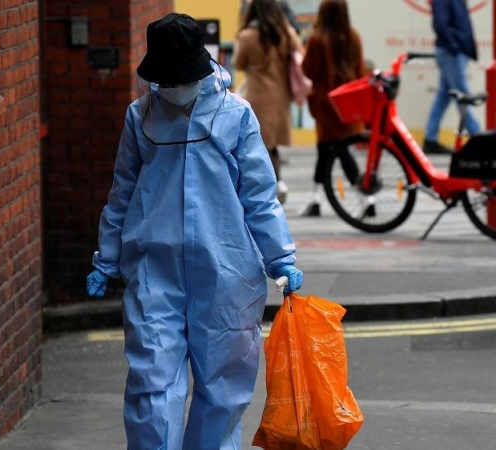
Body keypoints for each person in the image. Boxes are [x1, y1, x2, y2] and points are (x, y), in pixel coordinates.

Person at [85, 13, 304, 450]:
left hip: (226, 270)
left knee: (222, 387)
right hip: (153, 266)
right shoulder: (141, 115)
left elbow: (258, 195)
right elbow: (122, 191)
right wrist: (106, 256)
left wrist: (280, 257)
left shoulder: (235, 115)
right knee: (152, 381)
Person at [300, 0, 367, 216]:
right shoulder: (354, 37)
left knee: (336, 149)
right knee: (329, 150)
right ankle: (316, 197)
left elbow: (309, 71)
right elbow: (360, 70)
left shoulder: (318, 39)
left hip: (326, 104)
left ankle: (365, 197)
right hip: (348, 102)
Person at [235, 0, 304, 205]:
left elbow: (239, 63)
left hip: (257, 97)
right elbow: (300, 54)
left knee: (258, 144)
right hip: (281, 96)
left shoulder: (247, 36)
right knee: (270, 144)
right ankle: (278, 182)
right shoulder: (285, 34)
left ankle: (268, 184)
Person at [423, 0, 480, 155]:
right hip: (451, 53)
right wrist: (455, 47)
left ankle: (430, 137)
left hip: (454, 51)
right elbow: (441, 24)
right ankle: (477, 136)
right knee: (462, 94)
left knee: (444, 96)